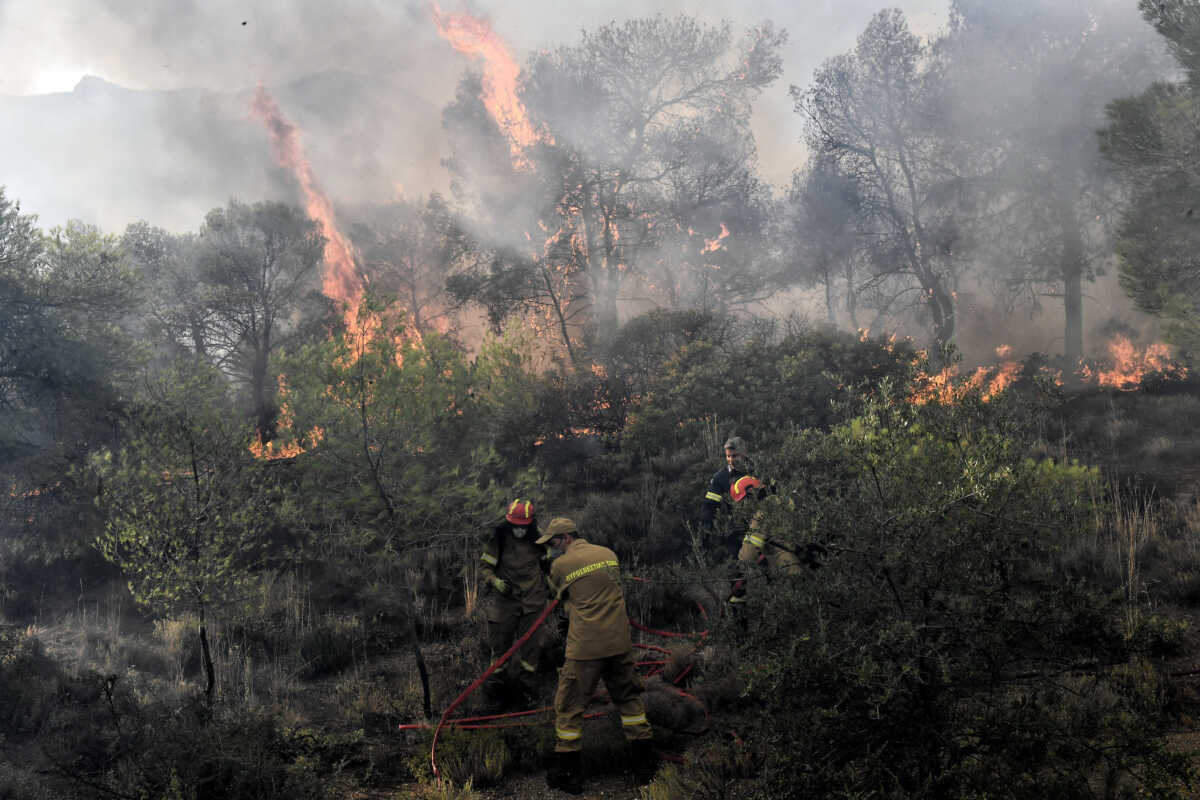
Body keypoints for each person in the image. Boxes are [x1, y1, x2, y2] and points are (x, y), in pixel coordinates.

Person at [537, 517, 655, 793]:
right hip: (620, 642)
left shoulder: (561, 565)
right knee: (629, 700)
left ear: (566, 537)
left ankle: (568, 773)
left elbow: (555, 595)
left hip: (586, 647)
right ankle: (645, 766)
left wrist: (547, 570)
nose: (553, 547)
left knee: (568, 706)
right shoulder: (608, 554)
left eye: (554, 541)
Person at [479, 499, 549, 705]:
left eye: (523, 527)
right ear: (509, 523)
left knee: (532, 648)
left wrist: (555, 585)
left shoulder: (539, 538)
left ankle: (526, 689)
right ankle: (497, 693)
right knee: (500, 647)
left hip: (533, 601)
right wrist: (495, 582)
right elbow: (484, 567)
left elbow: (548, 565)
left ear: (530, 524)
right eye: (515, 526)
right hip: (505, 602)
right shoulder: (498, 538)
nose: (519, 530)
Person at [726, 476, 803, 610]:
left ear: (752, 495)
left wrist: (737, 574)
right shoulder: (782, 500)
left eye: (743, 502)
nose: (743, 508)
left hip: (789, 571)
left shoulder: (761, 515)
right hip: (808, 563)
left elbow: (748, 555)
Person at [699, 435, 754, 532]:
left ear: (744, 453)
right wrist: (705, 530)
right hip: (738, 528)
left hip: (765, 523)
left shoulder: (758, 469)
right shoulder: (720, 478)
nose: (731, 460)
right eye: (728, 456)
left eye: (735, 456)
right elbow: (710, 506)